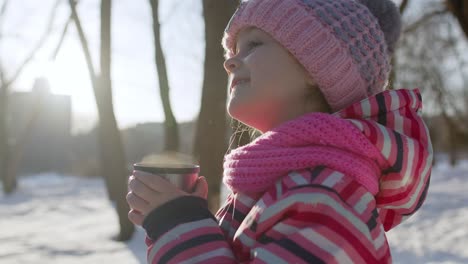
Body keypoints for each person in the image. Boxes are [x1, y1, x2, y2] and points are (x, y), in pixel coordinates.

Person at [127, 0, 433, 263]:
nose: (230, 62)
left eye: (254, 44)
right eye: (233, 50)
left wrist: (180, 225)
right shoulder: (284, 186)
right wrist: (184, 223)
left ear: (318, 66)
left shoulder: (325, 198)